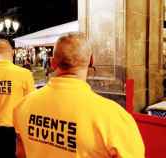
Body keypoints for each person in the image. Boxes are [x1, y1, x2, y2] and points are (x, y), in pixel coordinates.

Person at [13, 34, 145, 158]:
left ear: (53, 63)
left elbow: (20, 153)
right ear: (91, 60)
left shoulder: (23, 105)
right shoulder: (114, 117)